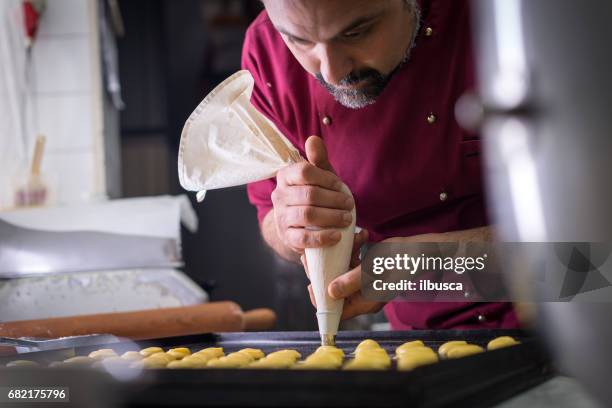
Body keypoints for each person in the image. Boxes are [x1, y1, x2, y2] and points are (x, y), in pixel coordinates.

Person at [241, 0, 518, 329]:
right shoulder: (266, 53)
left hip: (569, 328)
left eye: (356, 32)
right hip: (419, 344)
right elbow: (270, 220)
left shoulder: (518, 20)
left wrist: (441, 263)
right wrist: (292, 225)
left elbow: (591, 267)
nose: (331, 72)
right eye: (300, 41)